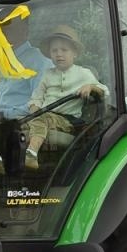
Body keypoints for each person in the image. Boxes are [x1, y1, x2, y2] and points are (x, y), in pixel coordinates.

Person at [24, 24, 106, 169]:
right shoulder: (47, 74)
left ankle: (31, 153)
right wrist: (34, 107)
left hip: (68, 121)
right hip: (43, 115)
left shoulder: (84, 73)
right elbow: (37, 97)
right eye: (54, 50)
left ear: (75, 53)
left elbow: (103, 90)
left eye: (64, 50)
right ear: (50, 54)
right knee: (16, 124)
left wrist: (91, 87)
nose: (59, 54)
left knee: (43, 118)